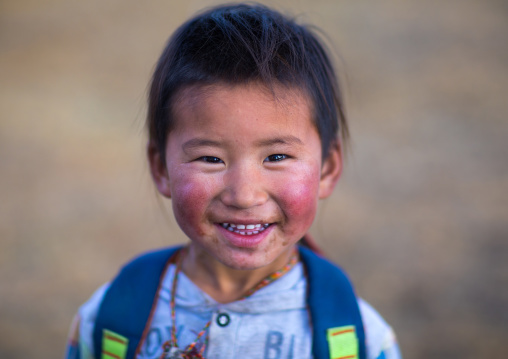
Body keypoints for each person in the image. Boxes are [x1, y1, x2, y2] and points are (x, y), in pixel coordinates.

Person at [65, 3, 402, 359]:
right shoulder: (112, 318)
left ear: (328, 169)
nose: (243, 195)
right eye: (210, 159)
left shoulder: (356, 337)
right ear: (161, 168)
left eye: (276, 157)